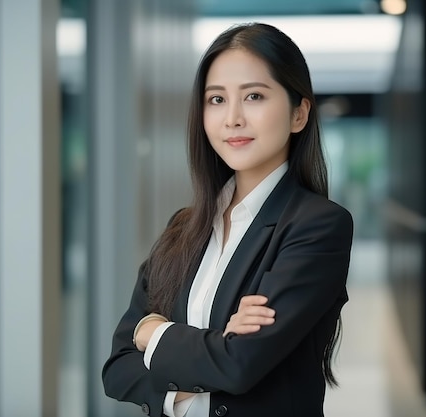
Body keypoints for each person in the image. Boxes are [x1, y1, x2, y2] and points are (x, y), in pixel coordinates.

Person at [102, 22, 353, 417]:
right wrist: (205, 357)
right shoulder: (182, 228)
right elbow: (117, 368)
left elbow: (238, 365)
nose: (232, 118)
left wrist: (152, 332)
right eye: (216, 99)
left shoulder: (317, 226)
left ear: (298, 114)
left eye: (254, 96)